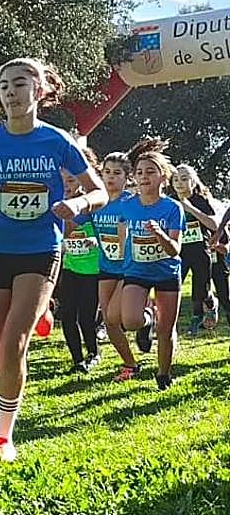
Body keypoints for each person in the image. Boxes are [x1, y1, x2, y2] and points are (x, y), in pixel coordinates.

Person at [0, 58, 107, 463]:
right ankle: (42, 314)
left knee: (13, 349)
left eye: (20, 84)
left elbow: (100, 192)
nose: (11, 92)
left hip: (40, 249)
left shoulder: (58, 141)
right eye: (5, 85)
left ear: (39, 91)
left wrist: (78, 202)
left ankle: (2, 436)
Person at [120, 138, 184, 390]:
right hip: (137, 270)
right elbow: (120, 234)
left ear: (162, 178)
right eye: (139, 172)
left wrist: (160, 234)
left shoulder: (172, 208)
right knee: (130, 320)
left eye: (150, 172)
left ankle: (163, 374)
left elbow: (175, 250)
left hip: (166, 271)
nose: (143, 177)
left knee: (167, 329)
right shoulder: (127, 206)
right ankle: (146, 321)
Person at [91, 151, 139, 381]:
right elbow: (73, 224)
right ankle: (130, 364)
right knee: (110, 325)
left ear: (127, 177)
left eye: (117, 173)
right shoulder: (96, 202)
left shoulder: (130, 203)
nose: (111, 178)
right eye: (107, 172)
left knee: (112, 317)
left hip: (129, 268)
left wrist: (126, 237)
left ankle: (146, 317)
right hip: (106, 267)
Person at [57, 166, 102, 373]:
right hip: (70, 269)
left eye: (72, 181)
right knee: (67, 315)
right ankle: (77, 360)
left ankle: (94, 353)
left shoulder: (91, 206)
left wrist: (94, 240)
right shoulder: (54, 206)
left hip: (92, 271)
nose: (67, 185)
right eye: (63, 180)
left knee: (86, 317)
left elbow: (105, 234)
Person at [171, 164, 221, 335]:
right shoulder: (170, 201)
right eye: (176, 179)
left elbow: (214, 225)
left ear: (193, 182)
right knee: (174, 285)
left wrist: (190, 209)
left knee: (201, 289)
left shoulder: (200, 200)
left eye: (184, 179)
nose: (179, 183)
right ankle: (188, 322)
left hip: (200, 251)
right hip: (179, 252)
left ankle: (210, 301)